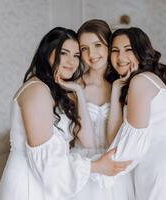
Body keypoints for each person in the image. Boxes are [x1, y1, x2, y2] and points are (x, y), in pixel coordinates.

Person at [0, 27, 131, 200]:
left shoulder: (48, 88)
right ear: (47, 52)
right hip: (29, 184)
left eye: (76, 55)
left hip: (42, 179)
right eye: (64, 53)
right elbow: (47, 162)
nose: (71, 62)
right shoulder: (37, 91)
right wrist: (95, 167)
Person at [101, 27, 166, 199]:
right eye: (115, 51)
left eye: (128, 50)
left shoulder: (140, 81)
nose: (121, 57)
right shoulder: (138, 82)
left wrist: (96, 170)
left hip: (163, 177)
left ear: (141, 52)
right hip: (153, 174)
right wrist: (116, 88)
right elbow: (114, 139)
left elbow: (131, 143)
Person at [68, 19, 134, 200]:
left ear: (109, 45)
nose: (92, 53)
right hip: (85, 165)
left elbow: (114, 138)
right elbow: (85, 141)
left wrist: (116, 90)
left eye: (97, 45)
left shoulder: (123, 86)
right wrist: (79, 92)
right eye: (84, 48)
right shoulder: (73, 87)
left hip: (113, 164)